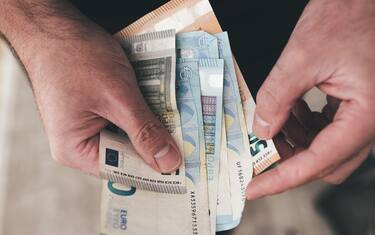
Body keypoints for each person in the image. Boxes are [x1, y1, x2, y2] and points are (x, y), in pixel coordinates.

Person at [0, 0, 374, 201]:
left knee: (304, 133)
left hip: (293, 19)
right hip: (101, 30)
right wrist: (38, 27)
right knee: (194, 193)